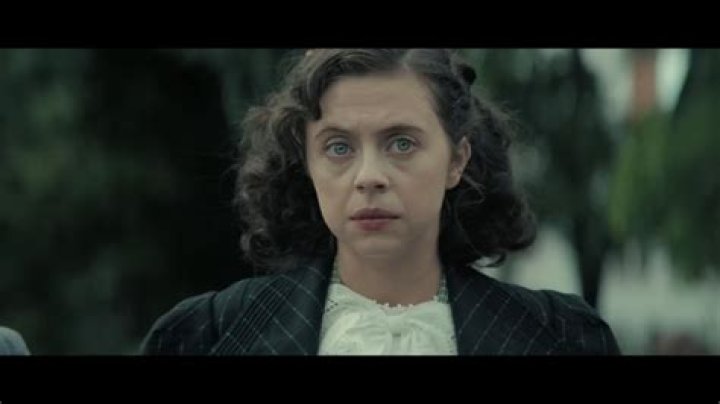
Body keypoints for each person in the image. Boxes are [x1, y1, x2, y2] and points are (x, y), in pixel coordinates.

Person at [140, 49, 620, 355]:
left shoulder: (565, 337)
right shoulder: (203, 336)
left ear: (456, 160)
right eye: (338, 147)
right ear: (307, 163)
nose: (369, 176)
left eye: (401, 143)